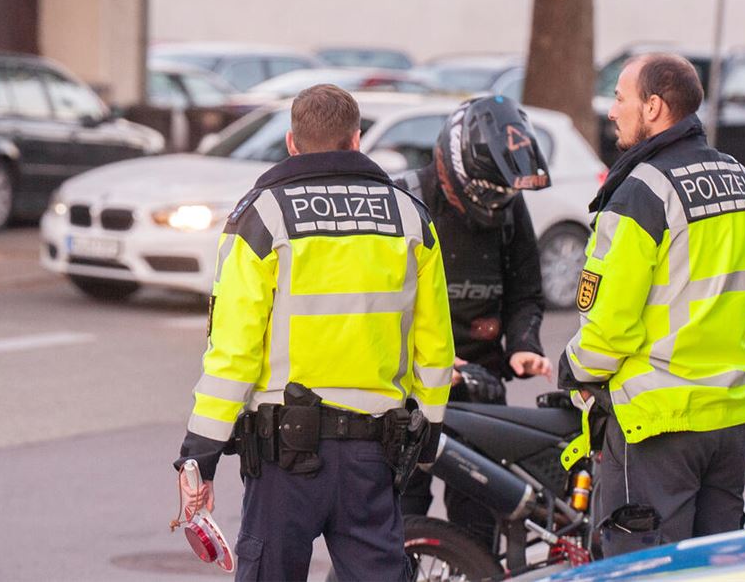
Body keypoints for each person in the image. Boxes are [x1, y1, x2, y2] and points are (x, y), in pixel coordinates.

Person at [174, 84, 455, 582]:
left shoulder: (262, 218)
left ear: (291, 142)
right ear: (356, 141)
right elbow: (434, 348)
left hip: (285, 460)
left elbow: (233, 353)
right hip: (374, 456)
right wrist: (427, 433)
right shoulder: (410, 217)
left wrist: (201, 455)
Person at [558, 53, 745, 556]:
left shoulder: (642, 193)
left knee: (644, 566)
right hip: (730, 422)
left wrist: (573, 369)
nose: (612, 111)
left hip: (659, 427)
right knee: (714, 566)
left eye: (620, 98)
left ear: (654, 106)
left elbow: (609, 328)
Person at [396, 95, 553, 546]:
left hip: (483, 393)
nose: (494, 203)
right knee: (400, 524)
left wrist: (525, 344)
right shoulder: (406, 201)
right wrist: (439, 361)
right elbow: (377, 307)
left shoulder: (509, 209)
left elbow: (527, 292)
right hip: (408, 393)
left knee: (479, 529)